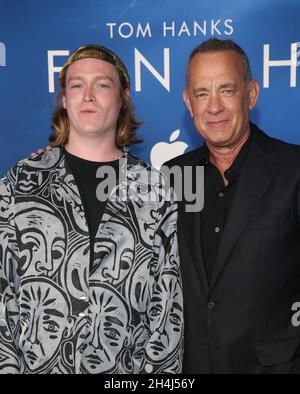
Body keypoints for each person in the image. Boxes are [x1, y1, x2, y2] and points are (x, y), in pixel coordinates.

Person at [0, 44, 183, 374]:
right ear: (65, 100)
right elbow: (3, 292)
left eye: (102, 84)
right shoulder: (21, 182)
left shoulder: (155, 190)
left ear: (123, 97)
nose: (88, 95)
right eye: (76, 85)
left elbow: (167, 309)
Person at [164, 38, 300, 373]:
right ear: (188, 101)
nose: (214, 107)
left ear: (251, 93)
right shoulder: (172, 176)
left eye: (226, 90)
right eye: (201, 93)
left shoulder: (293, 169)